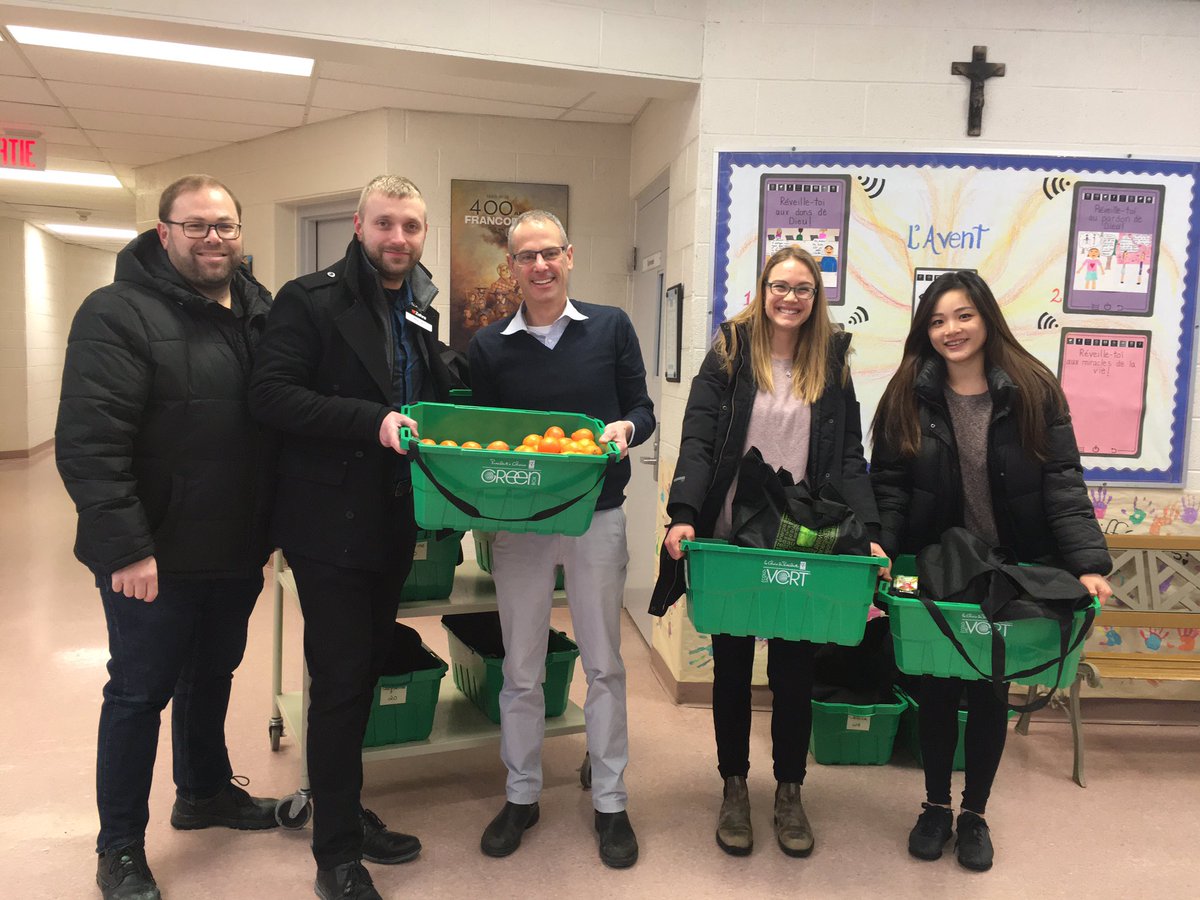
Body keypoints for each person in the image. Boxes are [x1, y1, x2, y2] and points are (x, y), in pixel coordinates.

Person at [56, 174, 279, 900]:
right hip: (153, 551)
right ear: (164, 232)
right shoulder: (116, 312)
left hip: (235, 544)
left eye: (225, 225)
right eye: (196, 225)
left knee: (212, 675)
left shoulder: (258, 308)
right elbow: (91, 442)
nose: (213, 238)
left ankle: (204, 791)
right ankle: (119, 846)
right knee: (138, 694)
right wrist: (125, 547)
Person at [248, 175, 457, 900]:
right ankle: (335, 855)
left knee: (365, 671)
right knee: (339, 682)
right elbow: (271, 395)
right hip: (328, 525)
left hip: (396, 519)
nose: (399, 238)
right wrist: (370, 422)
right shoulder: (309, 300)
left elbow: (429, 393)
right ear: (360, 226)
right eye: (386, 224)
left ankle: (346, 811)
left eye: (412, 226)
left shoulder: (421, 306)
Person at [869, 270, 1112, 872]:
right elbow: (890, 487)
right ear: (925, 331)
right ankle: (934, 806)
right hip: (939, 564)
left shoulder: (1033, 389)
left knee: (989, 689)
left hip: (1013, 569)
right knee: (935, 687)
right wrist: (880, 548)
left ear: (986, 318)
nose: (950, 330)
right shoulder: (906, 393)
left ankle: (974, 814)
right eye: (937, 321)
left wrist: (1087, 564)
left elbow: (1062, 484)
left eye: (963, 316)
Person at [649, 245, 884, 859]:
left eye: (803, 289)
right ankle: (733, 787)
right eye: (780, 286)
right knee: (730, 668)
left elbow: (849, 456)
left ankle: (789, 791)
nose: (790, 298)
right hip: (732, 536)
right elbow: (699, 438)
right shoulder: (731, 349)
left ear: (816, 298)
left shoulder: (831, 360)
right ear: (762, 289)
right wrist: (683, 514)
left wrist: (869, 529)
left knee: (794, 672)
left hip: (801, 537)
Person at [467, 210, 655, 869]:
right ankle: (521, 793)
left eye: (550, 253)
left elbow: (642, 410)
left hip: (595, 515)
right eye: (526, 256)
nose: (540, 266)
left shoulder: (610, 327)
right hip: (518, 525)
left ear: (569, 256)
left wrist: (625, 430)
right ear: (512, 267)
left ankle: (611, 800)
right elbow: (482, 437)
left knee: (604, 664)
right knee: (520, 667)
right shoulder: (488, 347)